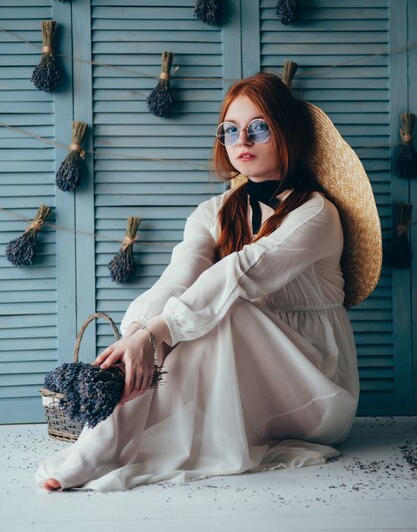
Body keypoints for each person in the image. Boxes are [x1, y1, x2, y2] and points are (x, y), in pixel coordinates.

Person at [36, 72, 382, 492]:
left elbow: (241, 272)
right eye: (231, 130)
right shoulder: (212, 212)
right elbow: (179, 276)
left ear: (286, 133)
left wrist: (153, 335)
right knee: (180, 312)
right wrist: (138, 336)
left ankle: (103, 447)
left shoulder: (316, 214)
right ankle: (101, 445)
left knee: (227, 306)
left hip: (314, 386)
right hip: (245, 386)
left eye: (258, 128)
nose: (242, 141)